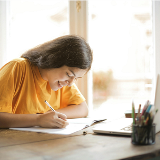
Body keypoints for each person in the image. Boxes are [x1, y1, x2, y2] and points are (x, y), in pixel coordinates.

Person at [0, 35, 93, 129]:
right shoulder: (18, 67)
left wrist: (50, 116)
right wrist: (38, 119)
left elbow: (83, 109)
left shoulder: (61, 81)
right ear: (55, 60)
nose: (70, 83)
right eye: (69, 74)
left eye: (76, 78)